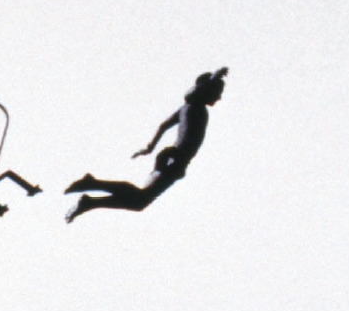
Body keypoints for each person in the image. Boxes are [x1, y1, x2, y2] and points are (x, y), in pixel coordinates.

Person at [66, 68, 228, 221]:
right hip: (175, 158)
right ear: (207, 91)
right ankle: (92, 186)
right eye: (218, 93)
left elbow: (164, 126)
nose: (219, 97)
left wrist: (150, 148)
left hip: (175, 158)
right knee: (141, 199)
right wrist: (216, 75)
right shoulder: (195, 108)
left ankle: (90, 200)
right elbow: (199, 92)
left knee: (140, 201)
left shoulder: (187, 108)